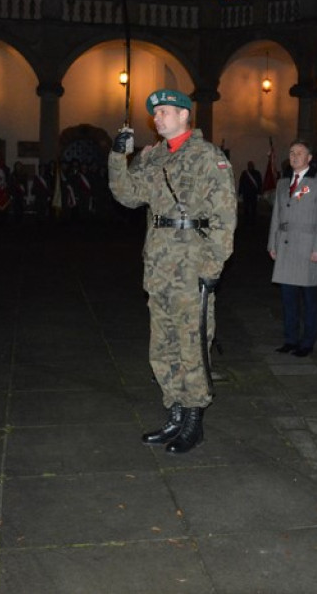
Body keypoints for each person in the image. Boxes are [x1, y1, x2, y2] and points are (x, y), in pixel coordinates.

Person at [108, 89, 237, 454]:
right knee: (162, 345)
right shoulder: (153, 159)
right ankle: (175, 414)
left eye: (165, 111)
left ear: (184, 115)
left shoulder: (207, 157)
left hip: (192, 265)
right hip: (160, 266)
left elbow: (225, 215)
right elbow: (127, 195)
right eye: (156, 113)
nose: (157, 117)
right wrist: (119, 156)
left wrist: (214, 265)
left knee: (192, 342)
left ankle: (194, 420)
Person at [268, 142, 317, 357]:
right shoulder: (283, 183)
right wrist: (272, 243)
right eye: (291, 153)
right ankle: (290, 339)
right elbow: (277, 215)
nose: (294, 156)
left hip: (307, 248)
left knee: (309, 300)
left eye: (299, 153)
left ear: (309, 158)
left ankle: (307, 342)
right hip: (286, 247)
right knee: (288, 300)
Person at [238, 160, 263, 225]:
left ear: (253, 166)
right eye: (249, 165)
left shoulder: (257, 173)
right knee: (246, 208)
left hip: (253, 194)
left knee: (254, 208)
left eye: (251, 165)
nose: (250, 166)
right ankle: (246, 221)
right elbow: (241, 183)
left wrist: (259, 193)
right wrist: (240, 192)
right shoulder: (244, 173)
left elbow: (259, 183)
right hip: (246, 194)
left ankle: (253, 221)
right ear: (247, 166)